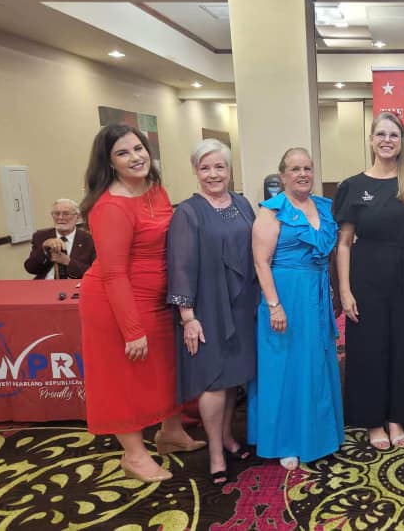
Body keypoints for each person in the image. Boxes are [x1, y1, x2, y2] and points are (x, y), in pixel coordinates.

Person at [79, 124, 205, 484]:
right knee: (125, 379)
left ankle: (171, 432)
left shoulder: (155, 188)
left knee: (165, 369)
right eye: (123, 153)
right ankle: (134, 456)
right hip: (118, 302)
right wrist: (132, 330)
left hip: (157, 299)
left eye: (138, 149)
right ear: (109, 163)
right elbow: (113, 274)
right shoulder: (110, 207)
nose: (135, 157)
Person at [334, 112, 404, 449]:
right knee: (369, 348)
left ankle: (397, 417)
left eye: (394, 135)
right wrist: (345, 291)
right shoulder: (353, 186)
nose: (387, 140)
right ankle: (373, 420)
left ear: (402, 142)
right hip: (367, 277)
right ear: (371, 140)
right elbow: (344, 243)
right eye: (381, 134)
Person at [166, 138, 259, 486]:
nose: (213, 174)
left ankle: (228, 437)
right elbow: (180, 267)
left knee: (234, 377)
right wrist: (188, 318)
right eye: (205, 168)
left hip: (241, 304)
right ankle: (216, 453)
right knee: (213, 379)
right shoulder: (188, 212)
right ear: (196, 171)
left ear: (230, 170)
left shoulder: (242, 203)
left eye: (219, 166)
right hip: (207, 306)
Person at [248, 148, 343, 471]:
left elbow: (333, 253)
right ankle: (286, 441)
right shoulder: (271, 211)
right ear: (283, 175)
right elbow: (261, 262)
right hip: (285, 297)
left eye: (307, 168)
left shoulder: (325, 207)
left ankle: (319, 435)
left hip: (316, 296)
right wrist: (274, 306)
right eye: (295, 169)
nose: (302, 174)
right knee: (286, 369)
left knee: (316, 364)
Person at [24, 198, 96, 279]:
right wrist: (44, 249)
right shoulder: (41, 236)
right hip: (46, 283)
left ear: (77, 217)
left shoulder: (89, 239)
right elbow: (30, 268)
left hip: (75, 284)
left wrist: (68, 262)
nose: (60, 217)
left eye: (66, 214)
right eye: (56, 213)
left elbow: (95, 272)